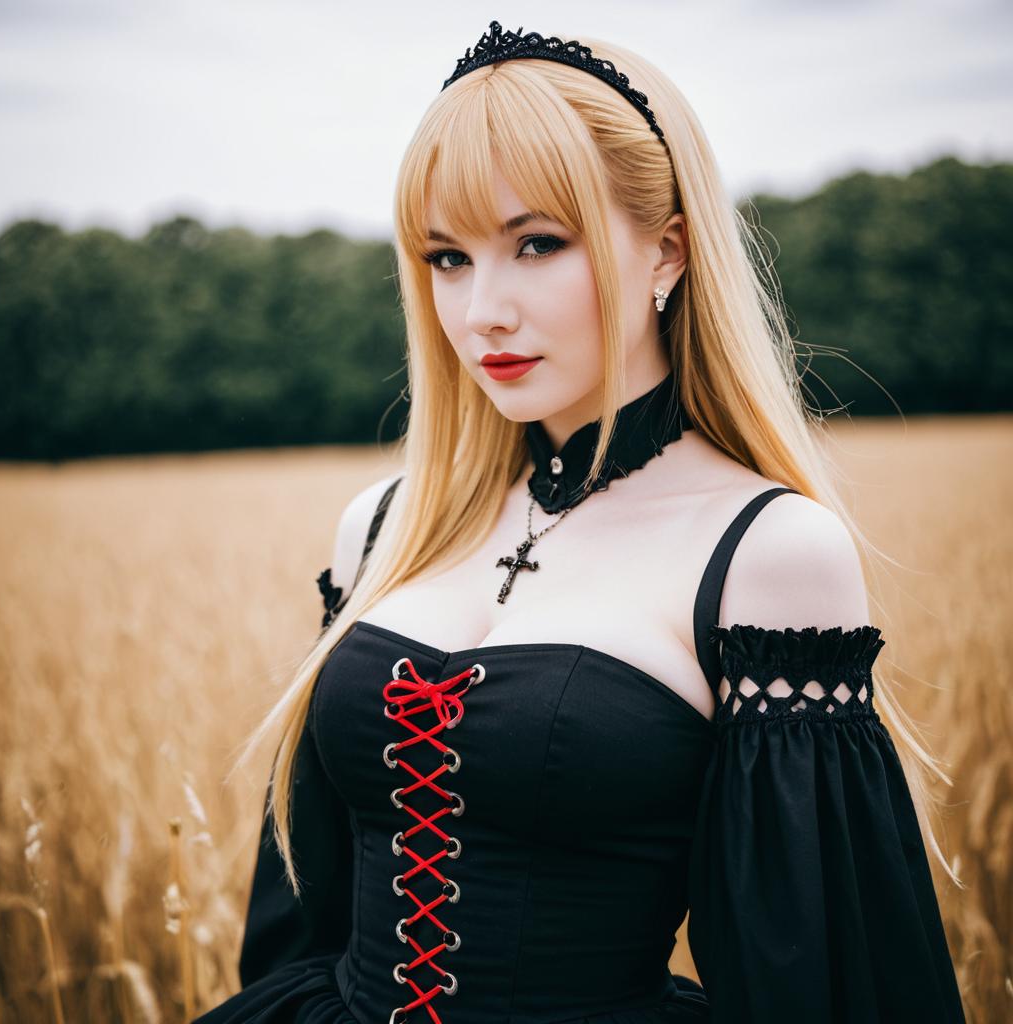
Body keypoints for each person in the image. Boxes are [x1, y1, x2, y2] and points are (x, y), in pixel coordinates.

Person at [195, 20, 966, 1024]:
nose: (481, 313)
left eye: (537, 244)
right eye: (446, 258)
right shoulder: (381, 528)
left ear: (666, 252)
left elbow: (818, 972)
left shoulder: (765, 553)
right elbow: (306, 909)